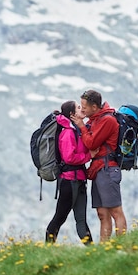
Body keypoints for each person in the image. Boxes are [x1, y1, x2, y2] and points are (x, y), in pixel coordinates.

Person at [71, 90, 127, 242]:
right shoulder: (95, 120)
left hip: (107, 169)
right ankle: (105, 249)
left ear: (94, 107)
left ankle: (122, 244)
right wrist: (83, 122)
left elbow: (91, 143)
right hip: (98, 170)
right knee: (102, 213)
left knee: (115, 211)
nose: (82, 109)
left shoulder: (107, 120)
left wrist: (82, 125)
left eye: (84, 107)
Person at [45, 100, 93, 245]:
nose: (82, 108)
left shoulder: (76, 129)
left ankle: (94, 251)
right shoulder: (67, 132)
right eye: (79, 107)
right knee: (60, 217)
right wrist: (89, 155)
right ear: (72, 114)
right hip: (68, 181)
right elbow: (69, 157)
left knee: (81, 219)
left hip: (79, 181)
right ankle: (47, 249)